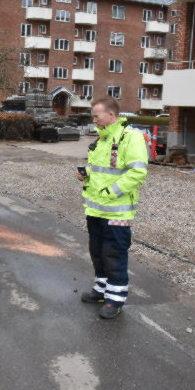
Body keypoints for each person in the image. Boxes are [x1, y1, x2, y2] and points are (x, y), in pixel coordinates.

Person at [77, 96, 148, 319]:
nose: (94, 119)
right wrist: (86, 175)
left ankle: (115, 299)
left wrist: (111, 192)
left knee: (113, 253)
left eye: (96, 115)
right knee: (97, 252)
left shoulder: (131, 137)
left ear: (111, 115)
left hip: (118, 211)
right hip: (96, 210)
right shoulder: (102, 139)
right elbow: (100, 170)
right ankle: (101, 290)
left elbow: (137, 173)